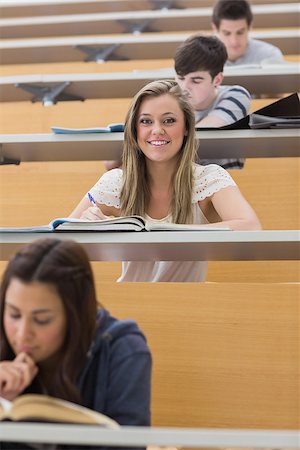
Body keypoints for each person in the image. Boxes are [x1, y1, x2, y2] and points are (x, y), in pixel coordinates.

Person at [69, 79, 261, 283]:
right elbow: (62, 238)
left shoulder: (209, 178)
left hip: (187, 305)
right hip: (127, 301)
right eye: (146, 121)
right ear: (135, 129)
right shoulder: (115, 181)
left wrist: (162, 231)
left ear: (186, 127)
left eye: (169, 121)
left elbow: (250, 227)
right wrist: (91, 225)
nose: (157, 130)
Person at [0, 238, 151, 449]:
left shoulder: (124, 351)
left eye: (42, 319)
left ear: (74, 315)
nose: (23, 334)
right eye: (14, 315)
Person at [174, 33, 251, 169]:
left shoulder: (236, 95)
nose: (185, 87)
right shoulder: (170, 101)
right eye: (180, 78)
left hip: (229, 181)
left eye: (196, 80)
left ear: (217, 80)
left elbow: (204, 132)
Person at [212, 0, 285, 66]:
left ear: (250, 26)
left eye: (240, 32)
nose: (234, 41)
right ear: (215, 28)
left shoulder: (269, 55)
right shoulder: (203, 59)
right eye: (227, 33)